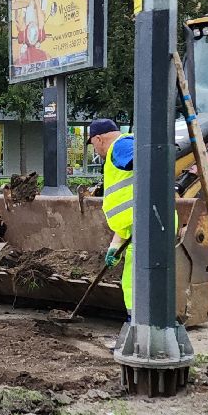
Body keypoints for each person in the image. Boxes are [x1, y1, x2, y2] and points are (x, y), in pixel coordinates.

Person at [89, 118, 134, 314]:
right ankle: (137, 326)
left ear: (98, 139)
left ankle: (139, 329)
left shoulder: (120, 146)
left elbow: (148, 160)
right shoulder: (119, 152)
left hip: (147, 228)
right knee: (133, 283)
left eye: (92, 144)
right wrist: (115, 246)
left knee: (137, 284)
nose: (94, 150)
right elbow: (128, 212)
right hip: (138, 228)